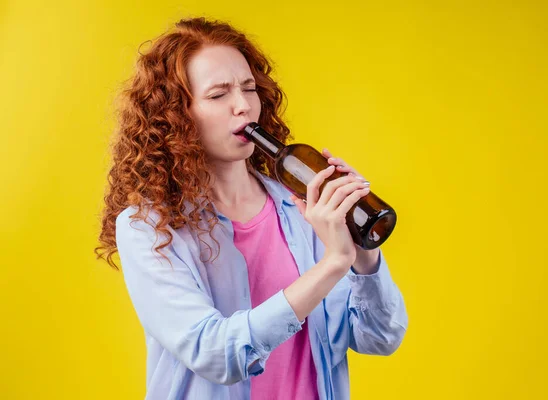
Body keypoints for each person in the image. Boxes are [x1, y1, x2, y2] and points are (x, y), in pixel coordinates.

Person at [95, 16, 408, 400]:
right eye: (218, 95)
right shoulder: (149, 228)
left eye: (248, 88)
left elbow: (380, 336)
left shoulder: (302, 208)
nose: (243, 106)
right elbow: (215, 353)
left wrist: (362, 250)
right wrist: (332, 264)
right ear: (176, 116)